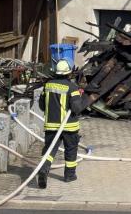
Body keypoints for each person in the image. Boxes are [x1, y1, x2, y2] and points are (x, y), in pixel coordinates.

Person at [37, 60, 88, 188]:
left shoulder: (48, 85)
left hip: (51, 126)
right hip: (69, 127)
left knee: (50, 150)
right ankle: (69, 175)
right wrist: (81, 99)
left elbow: (42, 105)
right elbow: (76, 108)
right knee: (70, 150)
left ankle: (44, 169)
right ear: (68, 73)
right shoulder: (72, 87)